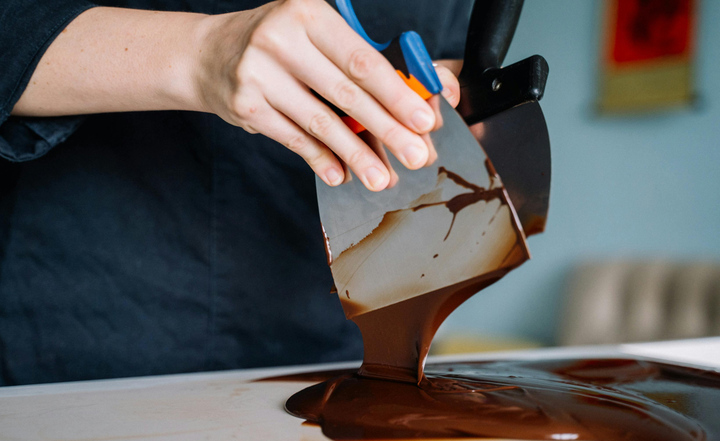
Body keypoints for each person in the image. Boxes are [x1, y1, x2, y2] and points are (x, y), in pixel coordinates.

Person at [0, 0, 469, 385]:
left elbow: (444, 48)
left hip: (331, 324)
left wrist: (433, 102)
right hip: (81, 318)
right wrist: (205, 53)